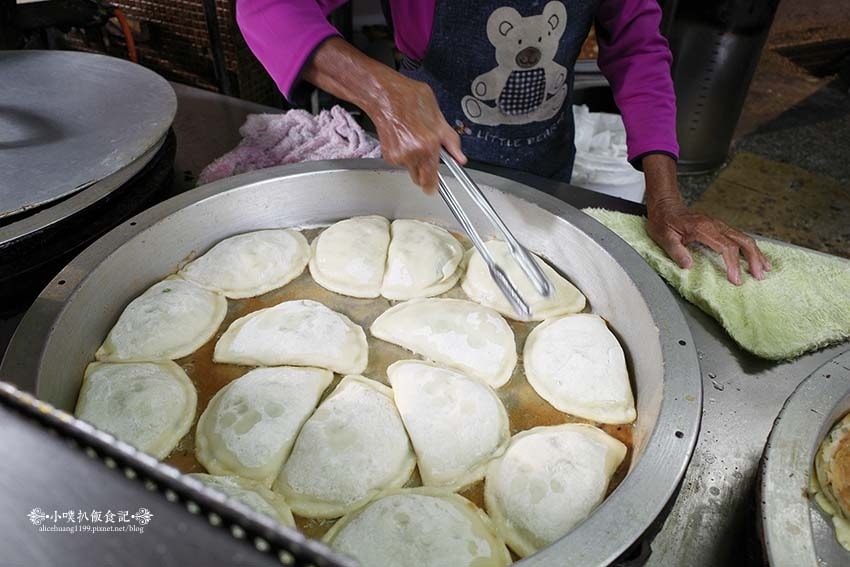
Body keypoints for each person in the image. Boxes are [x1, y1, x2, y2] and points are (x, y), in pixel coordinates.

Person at [237, 0, 771, 285]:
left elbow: (637, 50)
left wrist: (665, 196)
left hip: (543, 169)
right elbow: (266, 7)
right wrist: (379, 92)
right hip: (428, 170)